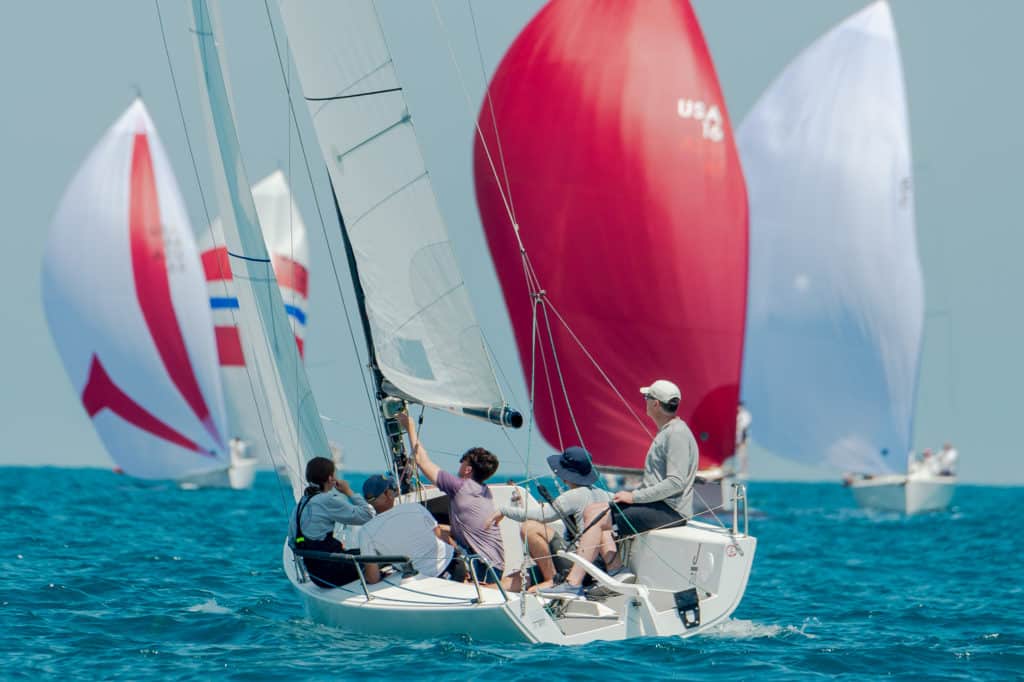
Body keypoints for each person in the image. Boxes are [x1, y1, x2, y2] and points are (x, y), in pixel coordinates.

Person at [542, 379, 698, 600]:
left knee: (595, 514)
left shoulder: (676, 434)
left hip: (670, 511)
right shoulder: (670, 432)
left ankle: (573, 583)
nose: (644, 401)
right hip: (660, 506)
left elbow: (675, 482)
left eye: (646, 398)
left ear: (655, 404)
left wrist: (634, 497)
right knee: (596, 509)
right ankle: (616, 570)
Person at [396, 411, 507, 585]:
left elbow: (421, 460)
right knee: (436, 529)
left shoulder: (460, 487)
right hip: (495, 563)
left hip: (483, 567)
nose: (459, 464)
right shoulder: (483, 490)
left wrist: (409, 426)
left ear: (468, 469)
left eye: (462, 460)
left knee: (434, 530)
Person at [486, 446, 614, 591]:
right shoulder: (607, 495)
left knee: (530, 528)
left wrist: (503, 511)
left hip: (581, 564)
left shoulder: (574, 496)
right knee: (522, 576)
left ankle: (550, 580)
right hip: (601, 565)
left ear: (565, 475)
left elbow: (542, 516)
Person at [289, 456, 374, 589]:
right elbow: (368, 515)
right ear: (330, 478)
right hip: (333, 573)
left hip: (316, 576)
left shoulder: (299, 505)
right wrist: (348, 492)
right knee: (378, 552)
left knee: (360, 552)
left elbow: (292, 542)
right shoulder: (326, 500)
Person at [356, 474, 456, 585]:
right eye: (391, 488)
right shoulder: (415, 507)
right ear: (388, 494)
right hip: (452, 566)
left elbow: (373, 578)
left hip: (423, 582)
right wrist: (459, 553)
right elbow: (441, 536)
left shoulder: (365, 532)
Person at [735, 402, 752, 477]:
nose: (738, 408)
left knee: (743, 454)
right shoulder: (735, 414)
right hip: (736, 438)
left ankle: (744, 471)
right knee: (736, 454)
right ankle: (734, 470)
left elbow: (744, 426)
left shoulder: (745, 415)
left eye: (739, 406)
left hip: (742, 438)